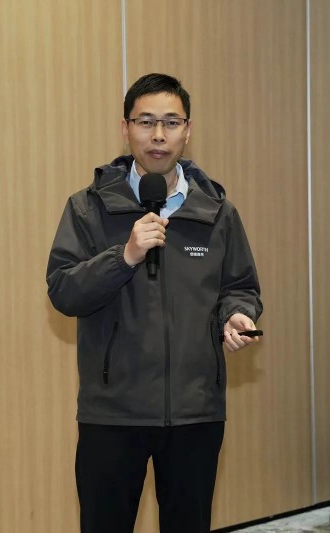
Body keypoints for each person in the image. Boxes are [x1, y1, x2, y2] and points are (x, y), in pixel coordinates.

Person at [47, 73, 262, 533]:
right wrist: (124, 256)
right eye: (146, 122)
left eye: (171, 122)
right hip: (113, 412)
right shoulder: (88, 209)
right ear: (125, 129)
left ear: (188, 130)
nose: (158, 135)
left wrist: (237, 315)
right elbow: (63, 290)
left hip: (195, 411)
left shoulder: (217, 212)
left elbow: (240, 286)